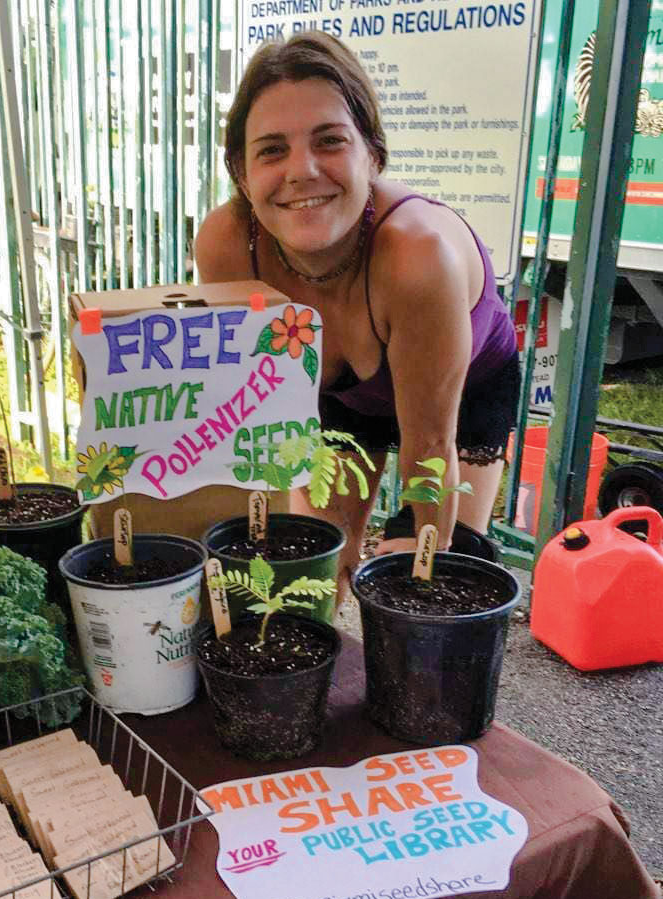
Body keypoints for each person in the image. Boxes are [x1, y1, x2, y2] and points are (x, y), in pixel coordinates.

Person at [194, 30, 518, 591]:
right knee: (315, 565)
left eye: (329, 141)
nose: (302, 171)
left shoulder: (419, 258)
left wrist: (424, 565)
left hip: (461, 397)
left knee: (432, 572)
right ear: (241, 174)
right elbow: (251, 410)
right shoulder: (226, 245)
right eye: (272, 149)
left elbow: (431, 447)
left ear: (373, 154)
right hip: (340, 399)